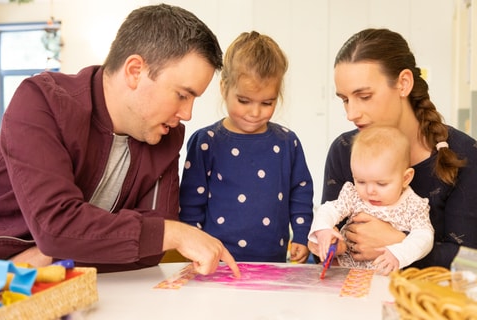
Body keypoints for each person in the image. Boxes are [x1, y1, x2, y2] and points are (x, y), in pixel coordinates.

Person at [0, 4, 240, 277]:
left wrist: (50, 254)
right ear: (135, 71)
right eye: (182, 95)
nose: (187, 114)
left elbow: (149, 253)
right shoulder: (41, 102)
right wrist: (171, 234)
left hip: (59, 287)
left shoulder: (167, 137)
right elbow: (56, 227)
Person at [310, 28, 477, 269]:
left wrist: (399, 243)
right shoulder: (344, 149)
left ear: (403, 83)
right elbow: (325, 251)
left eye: (364, 96)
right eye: (345, 99)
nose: (351, 114)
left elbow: (470, 265)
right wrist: (325, 243)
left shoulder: (464, 155)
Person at [179, 31, 313, 263]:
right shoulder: (206, 142)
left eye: (267, 103)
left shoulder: (287, 142)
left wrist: (301, 236)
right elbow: (191, 203)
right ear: (224, 88)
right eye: (244, 101)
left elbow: (300, 192)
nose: (254, 112)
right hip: (217, 263)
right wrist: (193, 246)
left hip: (274, 263)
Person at [308, 126, 434, 275]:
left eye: (381, 184)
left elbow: (425, 237)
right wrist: (323, 229)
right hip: (344, 272)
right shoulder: (353, 195)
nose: (369, 191)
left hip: (385, 277)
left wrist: (398, 253)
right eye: (361, 181)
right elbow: (329, 209)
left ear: (405, 178)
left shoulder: (414, 206)